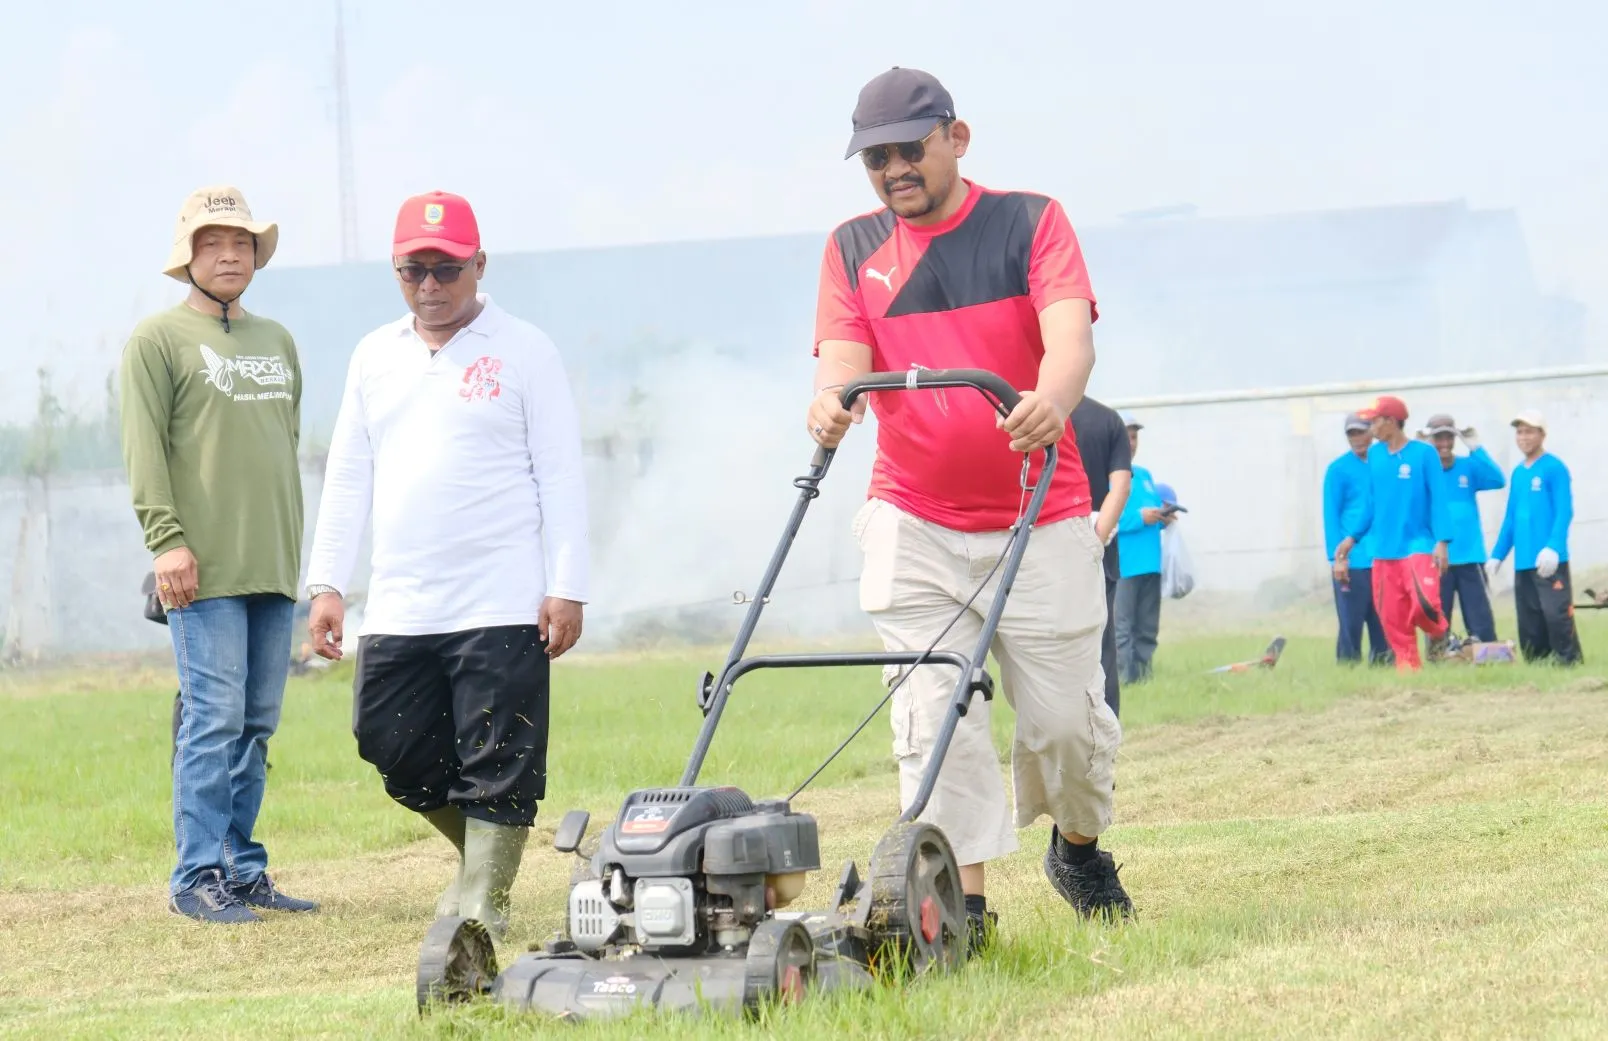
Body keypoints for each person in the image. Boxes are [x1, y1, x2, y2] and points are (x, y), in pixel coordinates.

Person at [807, 66, 1132, 944]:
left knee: (1066, 724)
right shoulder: (850, 246)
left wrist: (1051, 401)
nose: (894, 169)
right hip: (913, 518)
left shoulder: (1030, 221)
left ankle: (1076, 845)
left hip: (1041, 513)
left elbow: (1072, 342)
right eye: (876, 157)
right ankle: (965, 914)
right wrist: (832, 396)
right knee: (934, 719)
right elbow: (841, 356)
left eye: (911, 148)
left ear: (957, 136)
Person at [302, 190, 591, 939]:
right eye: (413, 270)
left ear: (479, 264)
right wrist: (328, 583)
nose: (430, 286)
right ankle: (478, 869)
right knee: (387, 739)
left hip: (503, 598)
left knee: (499, 756)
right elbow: (348, 474)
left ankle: (484, 908)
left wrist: (568, 585)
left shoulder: (526, 349)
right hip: (401, 603)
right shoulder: (375, 355)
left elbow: (560, 473)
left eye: (445, 269)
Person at [119, 185, 318, 923]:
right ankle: (195, 874)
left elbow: (284, 445)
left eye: (241, 243)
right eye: (212, 243)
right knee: (212, 719)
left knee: (257, 723)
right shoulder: (157, 340)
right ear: (188, 257)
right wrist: (166, 540)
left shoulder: (277, 341)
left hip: (271, 564)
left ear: (256, 256)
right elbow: (143, 452)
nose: (229, 254)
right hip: (199, 571)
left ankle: (241, 867)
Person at [1333, 395, 1452, 672]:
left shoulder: (1424, 454)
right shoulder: (1375, 456)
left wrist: (1443, 541)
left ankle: (1440, 633)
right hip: (1383, 550)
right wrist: (1352, 538)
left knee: (1425, 604)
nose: (1369, 427)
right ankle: (1408, 667)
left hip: (1418, 545)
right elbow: (1372, 503)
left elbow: (1439, 500)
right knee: (1391, 616)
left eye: (1374, 421)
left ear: (1391, 422)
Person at [1489, 410, 1582, 665]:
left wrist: (1553, 547)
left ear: (1542, 434)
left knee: (1556, 613)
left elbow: (1564, 510)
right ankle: (1538, 662)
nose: (1523, 437)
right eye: (1519, 432)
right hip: (1525, 560)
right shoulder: (1519, 473)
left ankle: (1567, 661)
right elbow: (1511, 518)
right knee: (1529, 617)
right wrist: (1498, 554)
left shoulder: (1554, 467)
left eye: (1529, 431)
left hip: (1550, 560)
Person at [1069, 395, 1133, 717]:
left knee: (1049, 649)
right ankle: (1106, 727)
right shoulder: (1108, 420)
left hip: (1044, 548)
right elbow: (1120, 486)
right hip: (1099, 551)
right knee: (1102, 646)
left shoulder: (1030, 416)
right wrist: (1095, 540)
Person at [1421, 413, 1504, 642]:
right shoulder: (1424, 471)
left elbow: (1497, 479)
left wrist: (1476, 448)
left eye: (1449, 437)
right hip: (1437, 559)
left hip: (1470, 556)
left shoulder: (1467, 466)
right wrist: (1418, 450)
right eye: (1438, 439)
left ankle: (1487, 656)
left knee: (1480, 618)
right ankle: (1438, 660)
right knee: (1437, 617)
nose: (1444, 444)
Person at [1322, 412, 1391, 665]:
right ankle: (1348, 669)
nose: (1357, 438)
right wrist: (1337, 558)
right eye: (1351, 434)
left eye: (1361, 431)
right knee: (1351, 621)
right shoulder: (1338, 470)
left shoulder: (1385, 463)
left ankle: (1384, 665)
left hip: (1384, 556)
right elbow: (1331, 516)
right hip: (1354, 560)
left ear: (1373, 431)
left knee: (1383, 619)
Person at [1114, 412, 1173, 684]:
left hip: (1151, 562)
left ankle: (1145, 675)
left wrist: (1162, 518)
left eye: (1135, 437)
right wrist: (1140, 517)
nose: (1132, 443)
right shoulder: (1108, 477)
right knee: (1122, 626)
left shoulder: (1145, 475)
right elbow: (1106, 518)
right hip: (1125, 564)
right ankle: (1125, 678)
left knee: (1147, 626)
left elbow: (1151, 514)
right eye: (1126, 437)